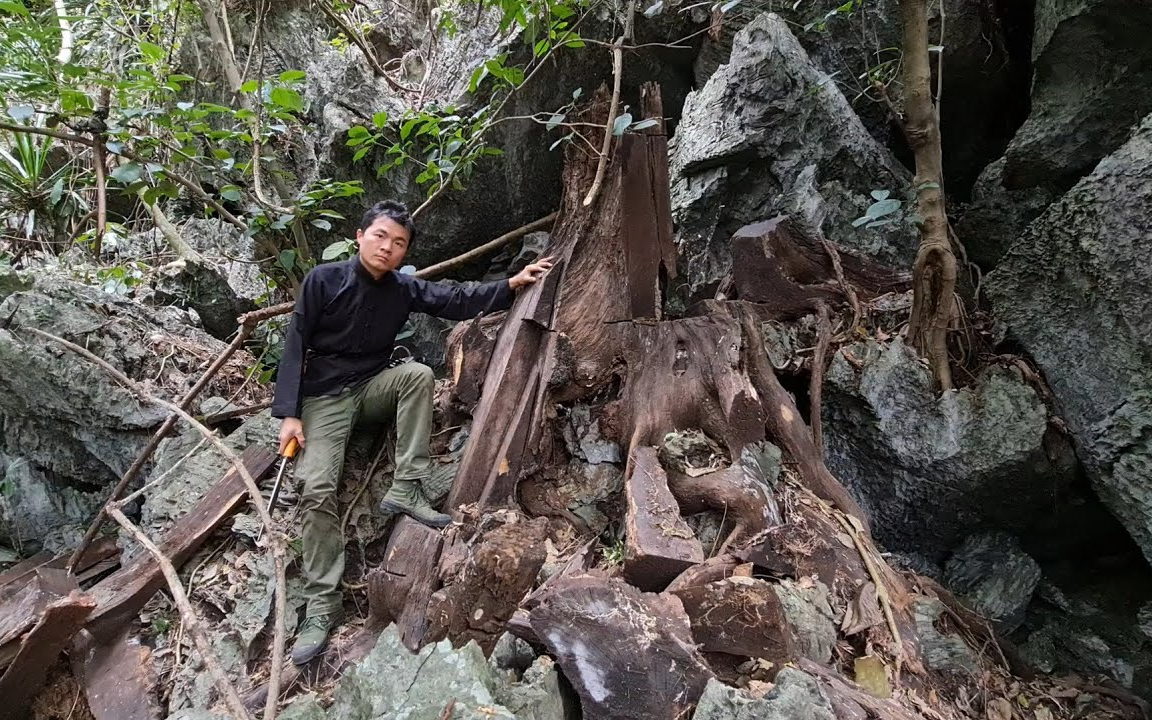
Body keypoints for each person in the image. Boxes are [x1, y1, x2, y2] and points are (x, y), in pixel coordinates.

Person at [270, 200, 553, 663]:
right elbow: (296, 342)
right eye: (381, 236)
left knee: (419, 374)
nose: (387, 248)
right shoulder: (323, 280)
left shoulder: (401, 289)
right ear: (360, 237)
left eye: (399, 243)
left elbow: (452, 299)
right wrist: (289, 413)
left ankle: (407, 487)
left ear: (404, 254)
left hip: (374, 387)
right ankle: (322, 604)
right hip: (324, 399)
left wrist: (509, 285)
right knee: (317, 486)